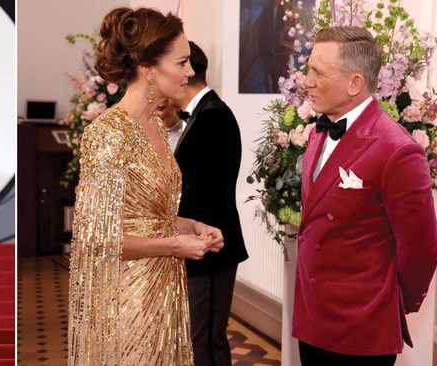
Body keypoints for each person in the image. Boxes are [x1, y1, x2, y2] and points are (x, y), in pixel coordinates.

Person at [67, 7, 224, 365]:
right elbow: (96, 238)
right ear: (148, 68)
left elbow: (147, 215)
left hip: (165, 292)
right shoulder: (109, 133)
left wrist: (193, 227)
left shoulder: (154, 125)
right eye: (182, 62)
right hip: (128, 300)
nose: (191, 71)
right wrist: (174, 245)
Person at [296, 26, 437, 365]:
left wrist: (386, 303)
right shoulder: (318, 132)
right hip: (313, 317)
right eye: (308, 70)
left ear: (355, 83)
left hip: (360, 329)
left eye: (318, 72)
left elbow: (421, 249)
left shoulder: (397, 150)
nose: (307, 81)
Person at [172, 40, 248, 366]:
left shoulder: (213, 116)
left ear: (186, 72)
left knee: (205, 341)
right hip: (195, 243)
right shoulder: (200, 114)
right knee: (197, 339)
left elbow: (205, 193)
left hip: (210, 248)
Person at [258, 0, 294, 93]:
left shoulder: (283, 11)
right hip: (267, 52)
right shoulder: (266, 10)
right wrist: (262, 51)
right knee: (269, 81)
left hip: (279, 53)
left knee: (278, 81)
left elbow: (288, 31)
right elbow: (262, 32)